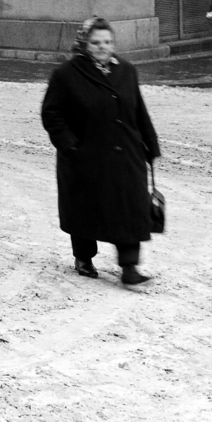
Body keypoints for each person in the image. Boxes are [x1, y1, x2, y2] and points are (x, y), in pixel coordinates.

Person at [40, 16, 161, 286]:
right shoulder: (67, 74)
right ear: (84, 43)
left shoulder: (126, 70)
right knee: (85, 207)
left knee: (129, 207)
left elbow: (138, 110)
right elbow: (52, 114)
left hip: (126, 153)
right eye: (96, 42)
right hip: (86, 154)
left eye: (108, 41)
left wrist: (150, 145)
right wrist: (71, 145)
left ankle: (129, 267)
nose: (103, 47)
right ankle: (84, 258)